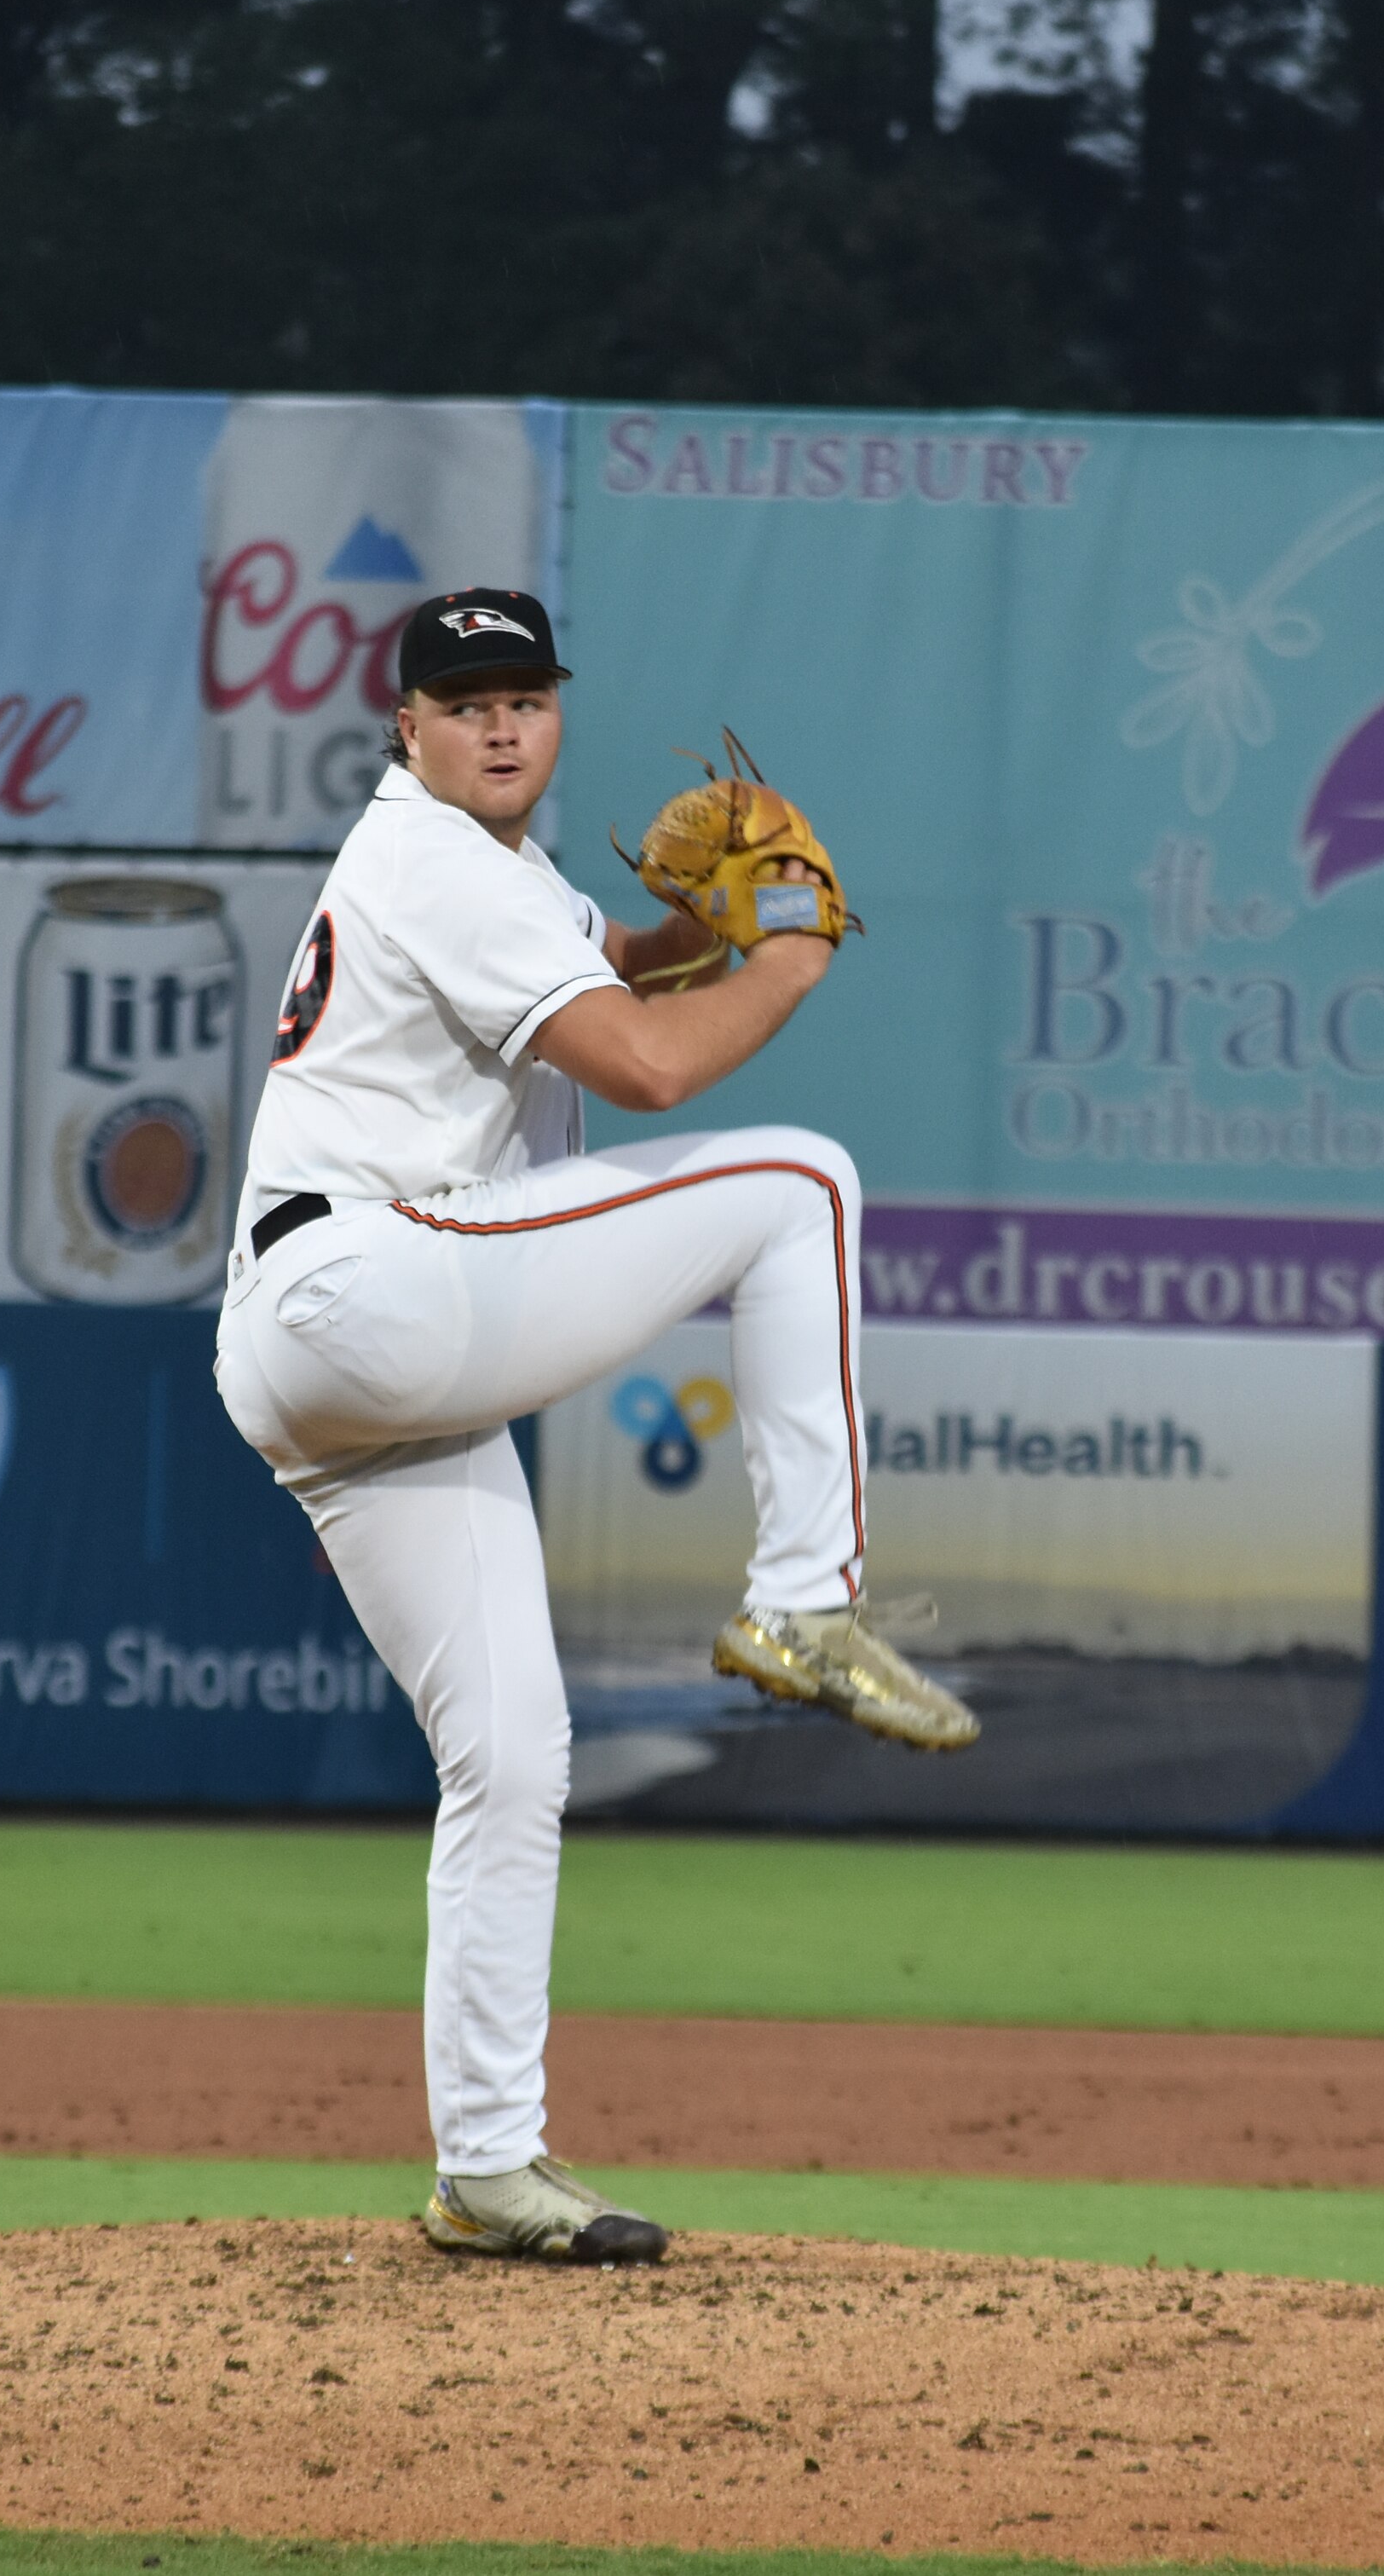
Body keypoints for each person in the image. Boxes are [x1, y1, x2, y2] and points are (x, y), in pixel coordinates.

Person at [216, 584, 975, 2270]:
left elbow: (612, 972)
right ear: (405, 725)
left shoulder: (490, 874)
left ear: (554, 711)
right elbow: (640, 1066)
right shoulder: (435, 859)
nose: (500, 722)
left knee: (511, 1752)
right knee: (799, 1182)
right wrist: (785, 949)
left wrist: (691, 931)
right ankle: (804, 1595)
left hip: (323, 1337)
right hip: (373, 1277)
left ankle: (486, 2163)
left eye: (526, 695)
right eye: (462, 698)